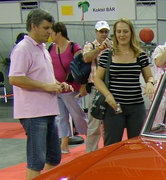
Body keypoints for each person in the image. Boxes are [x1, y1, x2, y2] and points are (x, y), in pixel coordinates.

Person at [9, 9, 73, 180]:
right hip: (33, 113)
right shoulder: (23, 49)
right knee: (36, 160)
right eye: (45, 28)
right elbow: (15, 78)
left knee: (54, 156)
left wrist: (58, 85)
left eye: (50, 28)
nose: (49, 32)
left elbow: (42, 78)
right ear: (33, 26)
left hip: (48, 110)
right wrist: (46, 86)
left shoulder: (43, 49)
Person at [93, 18, 155, 146]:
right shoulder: (107, 55)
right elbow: (97, 79)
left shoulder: (140, 55)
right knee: (111, 146)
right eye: (119, 31)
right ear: (115, 34)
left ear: (131, 33)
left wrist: (150, 83)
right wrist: (108, 95)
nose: (122, 35)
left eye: (125, 31)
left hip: (136, 107)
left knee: (138, 146)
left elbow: (149, 77)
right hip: (113, 107)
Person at [49, 22, 88, 154]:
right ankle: (64, 145)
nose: (50, 35)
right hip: (57, 89)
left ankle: (91, 138)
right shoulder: (51, 48)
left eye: (52, 33)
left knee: (78, 116)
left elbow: (83, 67)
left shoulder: (73, 47)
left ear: (59, 33)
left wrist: (83, 86)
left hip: (72, 89)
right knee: (61, 118)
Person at [82, 20, 112, 152]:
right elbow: (86, 58)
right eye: (101, 32)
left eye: (106, 31)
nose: (104, 34)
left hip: (111, 89)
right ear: (96, 32)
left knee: (110, 125)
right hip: (95, 89)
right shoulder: (90, 45)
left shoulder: (114, 46)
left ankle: (108, 151)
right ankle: (90, 153)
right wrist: (100, 48)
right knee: (93, 124)